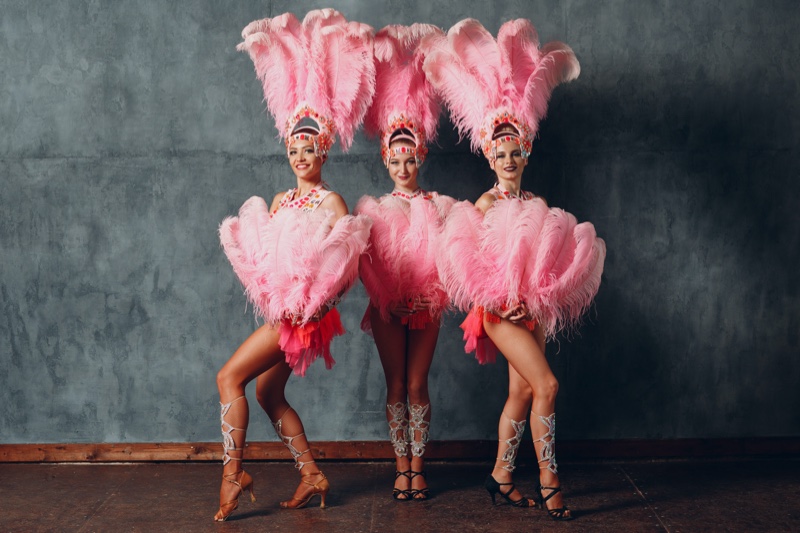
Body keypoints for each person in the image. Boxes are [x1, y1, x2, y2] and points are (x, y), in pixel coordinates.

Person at [425, 18, 605, 521]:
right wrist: (501, 298)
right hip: (499, 312)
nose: (507, 158)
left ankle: (501, 476)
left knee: (522, 391)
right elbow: (464, 258)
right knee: (547, 385)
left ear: (525, 152)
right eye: (498, 152)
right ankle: (550, 480)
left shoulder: (537, 202)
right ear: (489, 154)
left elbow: (546, 260)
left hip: (533, 310)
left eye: (514, 151)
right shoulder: (483, 203)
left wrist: (539, 297)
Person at [213, 10, 375, 521]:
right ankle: (311, 473)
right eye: (293, 147)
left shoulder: (333, 205)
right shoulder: (281, 199)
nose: (300, 153)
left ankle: (232, 473)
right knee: (267, 393)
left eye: (309, 146)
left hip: (303, 317)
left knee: (227, 379)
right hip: (281, 312)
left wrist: (313, 305)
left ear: (323, 148)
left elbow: (345, 267)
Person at [355, 24, 452, 501]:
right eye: (395, 160)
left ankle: (419, 464)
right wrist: (384, 299)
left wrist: (432, 293)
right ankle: (401, 466)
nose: (402, 167)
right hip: (388, 306)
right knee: (395, 382)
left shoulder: (439, 204)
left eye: (410, 159)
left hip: (427, 303)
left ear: (421, 156)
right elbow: (367, 264)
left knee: (418, 383)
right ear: (384, 159)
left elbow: (451, 257)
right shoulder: (372, 207)